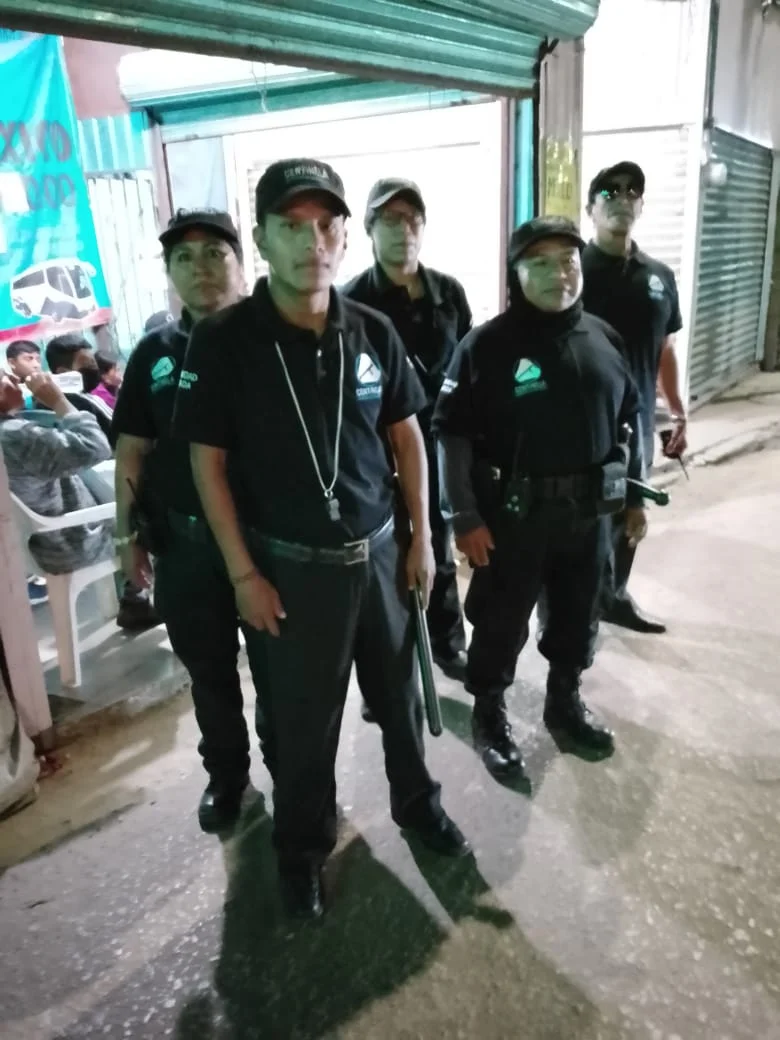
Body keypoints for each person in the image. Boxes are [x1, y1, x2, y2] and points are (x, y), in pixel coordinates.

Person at [173, 158, 469, 919]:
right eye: (291, 226)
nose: (312, 242)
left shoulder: (370, 330)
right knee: (303, 728)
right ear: (263, 239)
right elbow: (207, 465)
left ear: (343, 236)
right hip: (290, 572)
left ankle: (419, 807)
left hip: (379, 557)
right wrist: (243, 575)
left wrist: (422, 540)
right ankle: (302, 851)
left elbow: (406, 436)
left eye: (326, 225)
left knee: (401, 703)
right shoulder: (227, 341)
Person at [432, 216, 647, 779]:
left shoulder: (604, 339)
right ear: (516, 272)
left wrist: (634, 498)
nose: (559, 274)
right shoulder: (486, 346)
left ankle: (564, 701)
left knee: (579, 615)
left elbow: (630, 421)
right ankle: (489, 715)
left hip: (589, 518)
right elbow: (451, 434)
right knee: (500, 624)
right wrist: (463, 516)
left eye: (568, 261)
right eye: (541, 263)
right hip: (514, 520)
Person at [112, 209, 257, 834]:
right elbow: (131, 451)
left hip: (268, 543)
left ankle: (296, 776)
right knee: (209, 671)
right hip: (187, 547)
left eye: (214, 253)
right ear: (169, 271)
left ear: (241, 263)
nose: (200, 268)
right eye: (183, 258)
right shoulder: (155, 354)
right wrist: (127, 538)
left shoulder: (272, 342)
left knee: (283, 674)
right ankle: (227, 775)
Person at [343, 178, 470, 684]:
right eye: (390, 220)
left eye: (412, 219)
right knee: (385, 557)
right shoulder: (351, 301)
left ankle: (447, 643)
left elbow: (468, 368)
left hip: (441, 443)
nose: (404, 231)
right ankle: (388, 673)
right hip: (378, 452)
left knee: (437, 544)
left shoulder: (448, 293)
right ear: (369, 229)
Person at [582, 161, 687, 634]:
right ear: (590, 208)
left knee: (631, 515)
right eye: (609, 192)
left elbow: (664, 348)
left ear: (641, 206)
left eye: (632, 192)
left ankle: (615, 596)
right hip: (583, 428)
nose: (622, 198)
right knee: (582, 527)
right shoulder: (572, 271)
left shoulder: (659, 277)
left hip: (639, 425)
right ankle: (571, 617)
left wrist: (676, 412)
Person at [0, 369, 158, 630]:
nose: (15, 379)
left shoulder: (12, 432)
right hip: (70, 543)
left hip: (31, 545)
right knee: (153, 509)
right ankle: (146, 598)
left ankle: (135, 598)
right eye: (4, 376)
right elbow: (95, 447)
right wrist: (59, 400)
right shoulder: (14, 436)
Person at [44, 334, 113, 437]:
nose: (94, 369)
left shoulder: (85, 396)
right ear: (63, 372)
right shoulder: (75, 404)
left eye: (94, 363)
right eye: (88, 365)